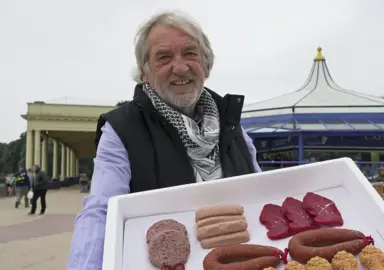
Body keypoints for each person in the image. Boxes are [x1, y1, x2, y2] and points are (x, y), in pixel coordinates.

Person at [67, 11, 261, 269]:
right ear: (145, 73)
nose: (180, 68)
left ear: (206, 66)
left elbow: (262, 189)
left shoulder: (232, 122)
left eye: (190, 53)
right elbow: (102, 210)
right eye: (163, 57)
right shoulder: (120, 130)